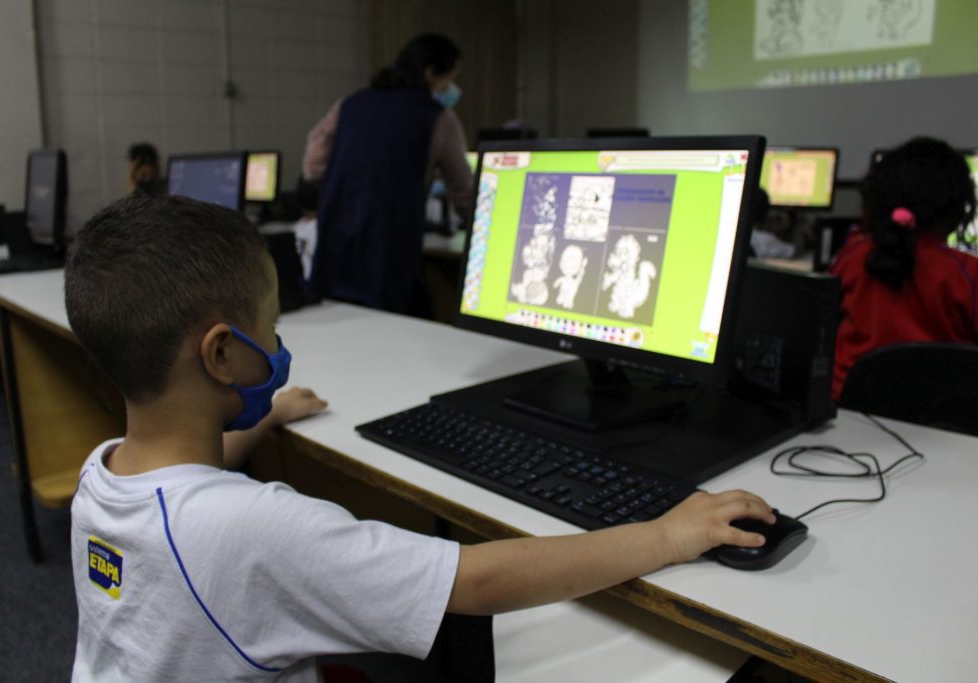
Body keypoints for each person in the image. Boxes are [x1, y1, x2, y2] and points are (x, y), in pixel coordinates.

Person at [64, 194, 775, 682]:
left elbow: (194, 487)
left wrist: (268, 416)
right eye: (272, 327)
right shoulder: (258, 527)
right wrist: (667, 535)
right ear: (220, 355)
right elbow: (476, 581)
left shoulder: (102, 478)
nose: (279, 343)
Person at [303, 33, 474, 315]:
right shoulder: (438, 117)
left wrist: (344, 185)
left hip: (337, 234)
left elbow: (313, 163)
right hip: (390, 239)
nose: (451, 88)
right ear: (431, 73)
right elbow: (464, 191)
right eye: (449, 79)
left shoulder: (349, 104)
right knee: (389, 322)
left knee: (336, 318)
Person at [829, 137, 978, 399]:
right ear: (956, 208)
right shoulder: (966, 273)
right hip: (943, 422)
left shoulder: (852, 258)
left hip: (848, 409)